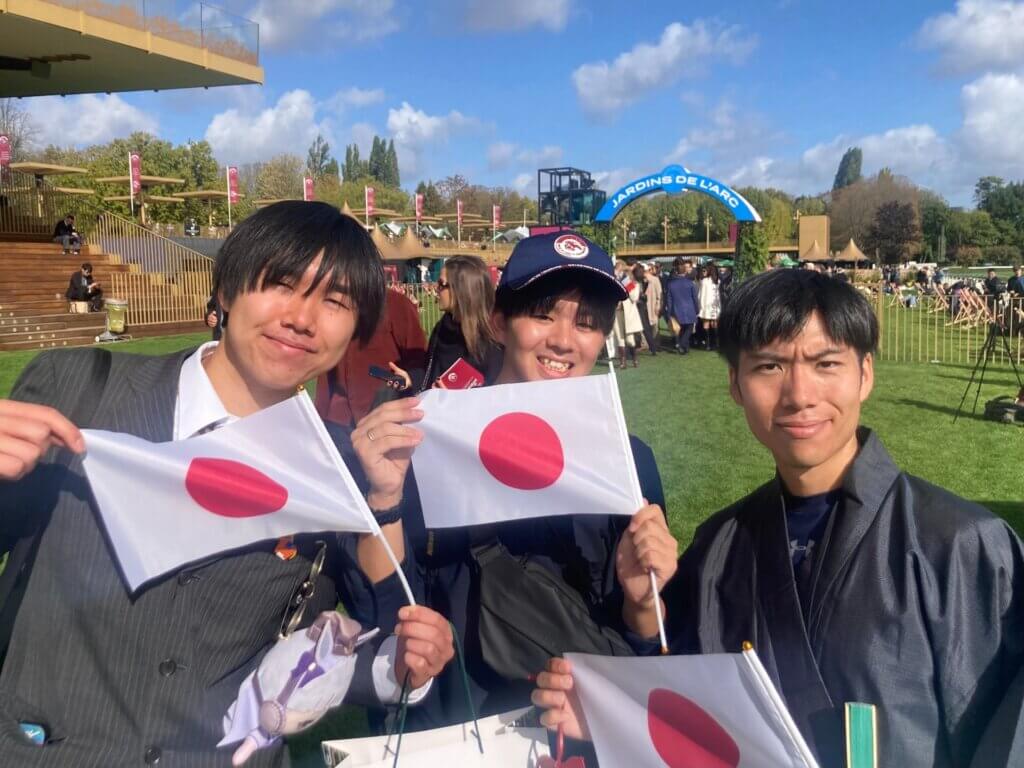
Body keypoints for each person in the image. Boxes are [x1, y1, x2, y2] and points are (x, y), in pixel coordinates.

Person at [0, 201, 454, 767]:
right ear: (228, 290)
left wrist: (383, 500)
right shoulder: (78, 390)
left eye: (334, 302)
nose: (302, 318)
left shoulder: (336, 469)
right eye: (282, 285)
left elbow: (381, 639)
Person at [532, 268, 1024, 767]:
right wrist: (628, 648)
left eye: (826, 363)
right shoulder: (720, 546)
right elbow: (688, 706)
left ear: (865, 374)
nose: (799, 394)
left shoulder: (960, 546)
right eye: (769, 367)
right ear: (736, 385)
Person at [339, 232, 673, 733]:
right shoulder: (429, 444)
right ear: (499, 322)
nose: (563, 339)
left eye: (587, 323)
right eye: (542, 314)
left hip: (585, 732)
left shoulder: (630, 460)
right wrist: (384, 500)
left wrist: (644, 601)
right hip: (460, 731)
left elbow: (650, 646)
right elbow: (383, 612)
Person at [314, 288, 428, 428]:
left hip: (382, 417)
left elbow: (418, 359)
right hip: (338, 419)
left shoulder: (396, 303)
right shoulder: (333, 305)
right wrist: (319, 415)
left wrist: (402, 381)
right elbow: (325, 365)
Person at [409, 255, 503, 391]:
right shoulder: (442, 328)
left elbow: (495, 398)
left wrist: (455, 398)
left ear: (462, 290)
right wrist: (410, 378)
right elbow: (430, 372)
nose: (436, 288)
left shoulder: (492, 341)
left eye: (442, 284)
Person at [664, 257, 698, 354]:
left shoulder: (671, 284)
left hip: (676, 309)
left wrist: (669, 313)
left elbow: (669, 300)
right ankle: (682, 344)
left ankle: (684, 348)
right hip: (690, 308)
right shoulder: (690, 283)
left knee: (682, 329)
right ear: (685, 272)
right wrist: (697, 309)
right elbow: (695, 298)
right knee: (689, 329)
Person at [633, 264, 658, 356]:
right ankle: (653, 348)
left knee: (635, 328)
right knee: (646, 328)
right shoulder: (644, 281)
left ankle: (634, 347)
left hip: (636, 305)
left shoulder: (634, 282)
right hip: (643, 305)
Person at [697, 261, 721, 351]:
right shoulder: (717, 281)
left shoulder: (703, 281)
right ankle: (716, 343)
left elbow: (700, 294)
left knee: (706, 324)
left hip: (705, 305)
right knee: (715, 324)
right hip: (715, 306)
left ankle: (707, 344)